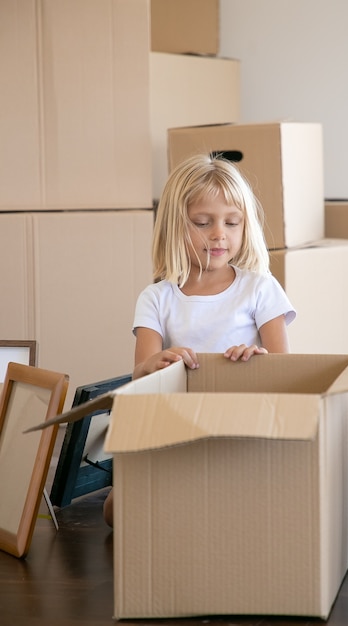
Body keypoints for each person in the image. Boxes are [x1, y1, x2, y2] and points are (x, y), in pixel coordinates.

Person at [103, 153, 296, 527]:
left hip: (242, 427)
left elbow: (286, 370)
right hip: (176, 426)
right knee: (116, 510)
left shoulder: (260, 289)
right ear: (175, 227)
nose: (219, 234)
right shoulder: (157, 297)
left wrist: (259, 358)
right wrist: (155, 364)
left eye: (232, 222)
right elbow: (140, 375)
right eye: (203, 223)